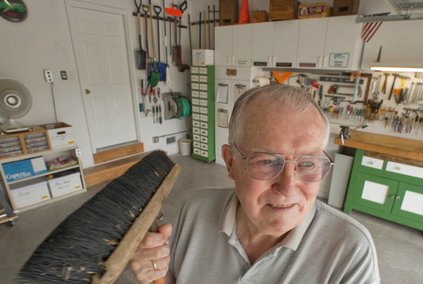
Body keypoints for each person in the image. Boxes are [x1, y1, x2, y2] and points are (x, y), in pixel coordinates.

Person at [131, 84, 380, 283]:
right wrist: (154, 270)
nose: (289, 186)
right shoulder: (197, 207)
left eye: (307, 163)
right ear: (230, 163)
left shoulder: (350, 250)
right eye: (267, 161)